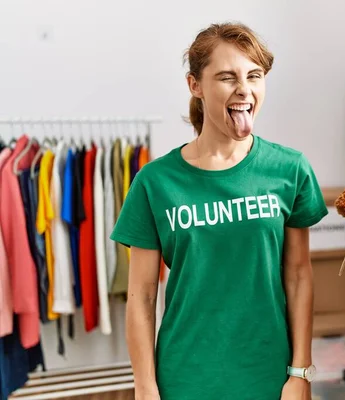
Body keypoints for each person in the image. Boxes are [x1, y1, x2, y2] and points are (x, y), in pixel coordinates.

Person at [110, 22, 328, 400]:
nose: (244, 90)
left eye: (254, 76)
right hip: (183, 377)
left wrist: (300, 372)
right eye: (227, 77)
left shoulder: (289, 169)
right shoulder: (155, 182)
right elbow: (141, 296)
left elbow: (298, 276)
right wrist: (145, 386)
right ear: (195, 85)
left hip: (269, 375)